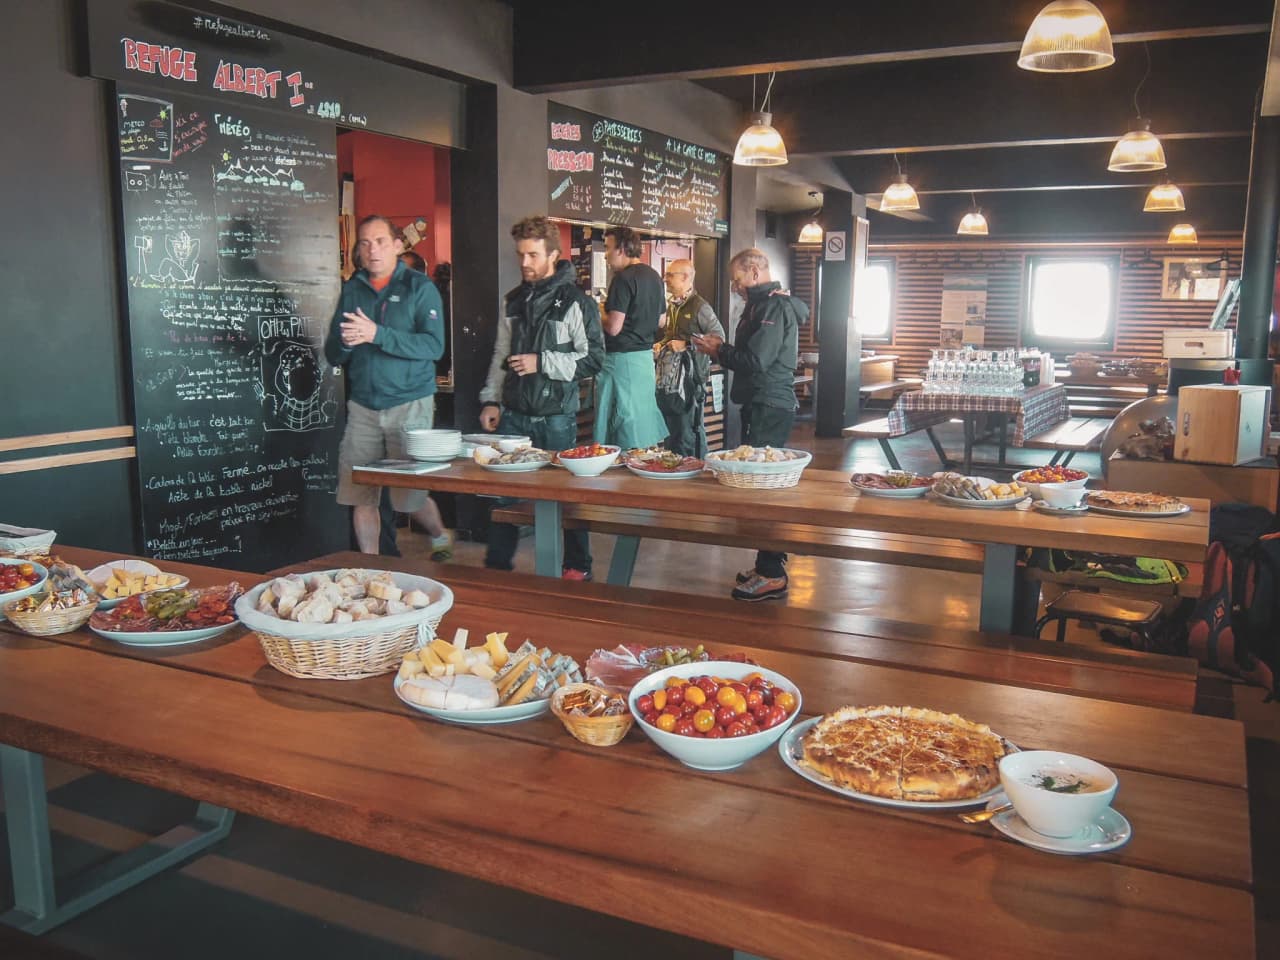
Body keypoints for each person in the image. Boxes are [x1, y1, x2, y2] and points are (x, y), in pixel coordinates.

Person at [480, 216, 604, 580]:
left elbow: (594, 359)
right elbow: (501, 354)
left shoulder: (577, 303)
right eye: (521, 255)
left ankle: (578, 567)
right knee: (504, 497)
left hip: (556, 418)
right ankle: (496, 569)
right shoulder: (513, 301)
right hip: (514, 416)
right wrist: (491, 400)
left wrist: (542, 362)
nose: (525, 263)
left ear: (553, 254)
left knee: (566, 498)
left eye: (533, 255)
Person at [325, 214, 452, 559]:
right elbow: (332, 352)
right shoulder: (352, 290)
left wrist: (377, 335)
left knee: (407, 499)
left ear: (397, 245)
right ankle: (369, 566)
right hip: (363, 407)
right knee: (360, 493)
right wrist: (347, 345)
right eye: (365, 242)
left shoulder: (419, 288)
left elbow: (433, 347)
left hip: (409, 404)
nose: (372, 249)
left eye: (380, 241)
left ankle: (440, 536)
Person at [693, 248, 806, 602]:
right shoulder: (762, 305)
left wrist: (718, 351)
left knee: (764, 491)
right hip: (761, 403)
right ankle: (767, 563)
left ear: (755, 272)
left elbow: (756, 360)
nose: (735, 286)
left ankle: (772, 573)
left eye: (738, 280)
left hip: (769, 404)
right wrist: (723, 347)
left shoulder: (773, 307)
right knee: (761, 487)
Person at [595, 226, 668, 450]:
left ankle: (620, 474)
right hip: (644, 361)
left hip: (620, 361)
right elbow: (661, 322)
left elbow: (614, 328)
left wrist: (598, 311)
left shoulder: (623, 279)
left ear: (622, 249)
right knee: (641, 419)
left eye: (608, 249)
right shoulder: (654, 276)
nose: (606, 255)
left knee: (622, 426)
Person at [656, 259, 725, 457]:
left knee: (689, 432)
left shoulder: (700, 307)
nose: (665, 279)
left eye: (670, 275)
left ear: (686, 277)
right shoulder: (673, 306)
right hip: (671, 382)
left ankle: (696, 473)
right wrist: (662, 343)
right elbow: (672, 335)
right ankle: (675, 474)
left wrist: (687, 344)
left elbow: (719, 338)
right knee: (673, 432)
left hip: (692, 382)